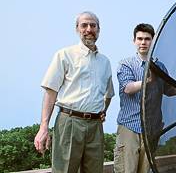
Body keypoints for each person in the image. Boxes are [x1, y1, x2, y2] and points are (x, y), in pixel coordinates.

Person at [114, 23, 176, 173]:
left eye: (147, 39)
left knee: (145, 170)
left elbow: (170, 90)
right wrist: (148, 80)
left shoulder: (160, 67)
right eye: (140, 39)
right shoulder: (126, 64)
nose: (143, 42)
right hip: (130, 127)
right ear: (134, 41)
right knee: (126, 170)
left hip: (152, 129)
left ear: (153, 41)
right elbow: (128, 88)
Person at [34, 11, 115, 173]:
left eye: (93, 25)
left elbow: (109, 94)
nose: (89, 29)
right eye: (84, 25)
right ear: (77, 29)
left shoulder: (105, 62)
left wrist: (103, 111)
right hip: (69, 122)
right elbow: (51, 91)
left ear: (99, 29)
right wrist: (44, 127)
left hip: (95, 126)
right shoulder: (64, 55)